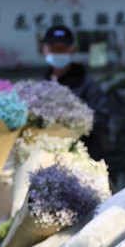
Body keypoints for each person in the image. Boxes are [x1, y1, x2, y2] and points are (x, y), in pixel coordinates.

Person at [41, 25, 110, 160]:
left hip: (85, 157)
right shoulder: (41, 86)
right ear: (45, 50)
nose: (58, 52)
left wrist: (73, 119)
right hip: (49, 157)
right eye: (54, 48)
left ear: (72, 50)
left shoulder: (88, 85)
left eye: (62, 49)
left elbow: (103, 122)